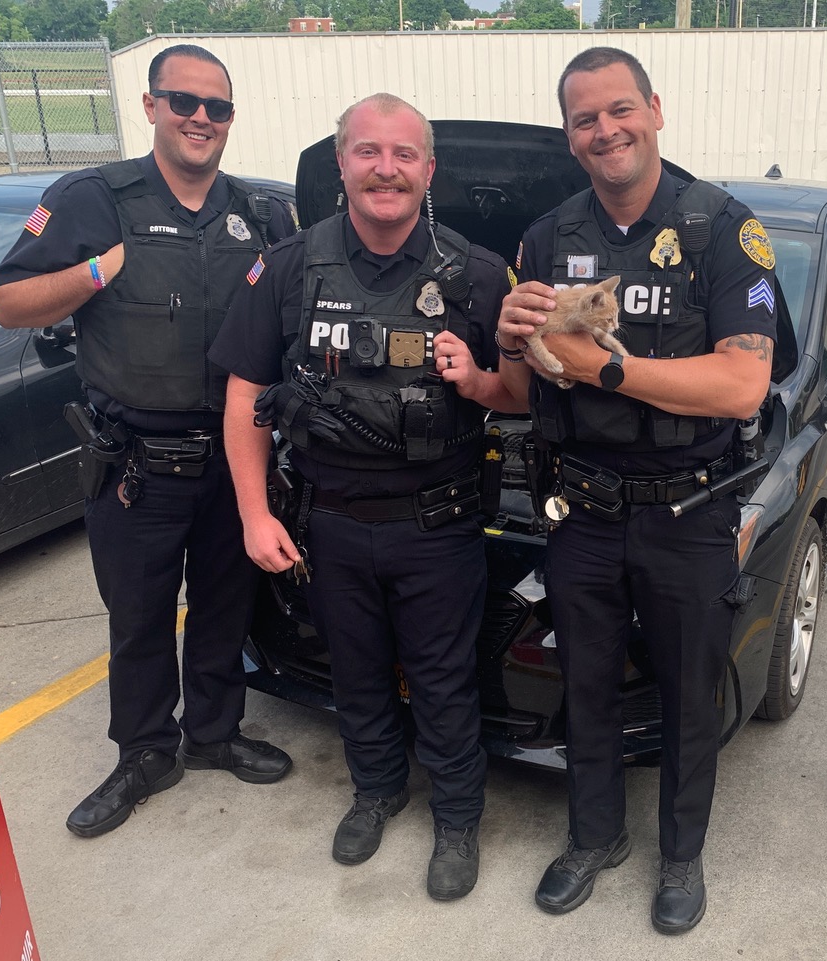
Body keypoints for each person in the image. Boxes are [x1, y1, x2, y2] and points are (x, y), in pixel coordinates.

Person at [210, 93, 520, 901]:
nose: (386, 169)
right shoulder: (286, 266)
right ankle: (376, 788)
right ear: (341, 163)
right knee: (354, 674)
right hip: (329, 524)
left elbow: (521, 395)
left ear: (428, 171)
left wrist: (477, 376)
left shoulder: (479, 274)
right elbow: (246, 391)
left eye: (404, 154)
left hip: (440, 525)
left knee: (445, 679)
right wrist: (253, 511)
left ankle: (456, 817)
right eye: (368, 152)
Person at [496, 47, 779, 934]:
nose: (605, 130)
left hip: (687, 510)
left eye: (619, 110)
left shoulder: (721, 229)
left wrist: (608, 369)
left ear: (655, 110)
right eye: (585, 119)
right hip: (580, 506)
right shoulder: (546, 239)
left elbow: (741, 387)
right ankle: (593, 837)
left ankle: (682, 856)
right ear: (569, 136)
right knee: (583, 683)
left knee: (689, 691)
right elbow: (525, 383)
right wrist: (509, 340)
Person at [0, 45, 296, 838]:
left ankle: (216, 732)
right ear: (152, 106)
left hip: (236, 461)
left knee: (228, 606)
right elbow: (10, 302)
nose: (201, 118)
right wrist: (98, 272)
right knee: (139, 616)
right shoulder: (94, 199)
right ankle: (145, 751)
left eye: (217, 107)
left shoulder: (257, 213)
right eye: (183, 101)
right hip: (136, 467)